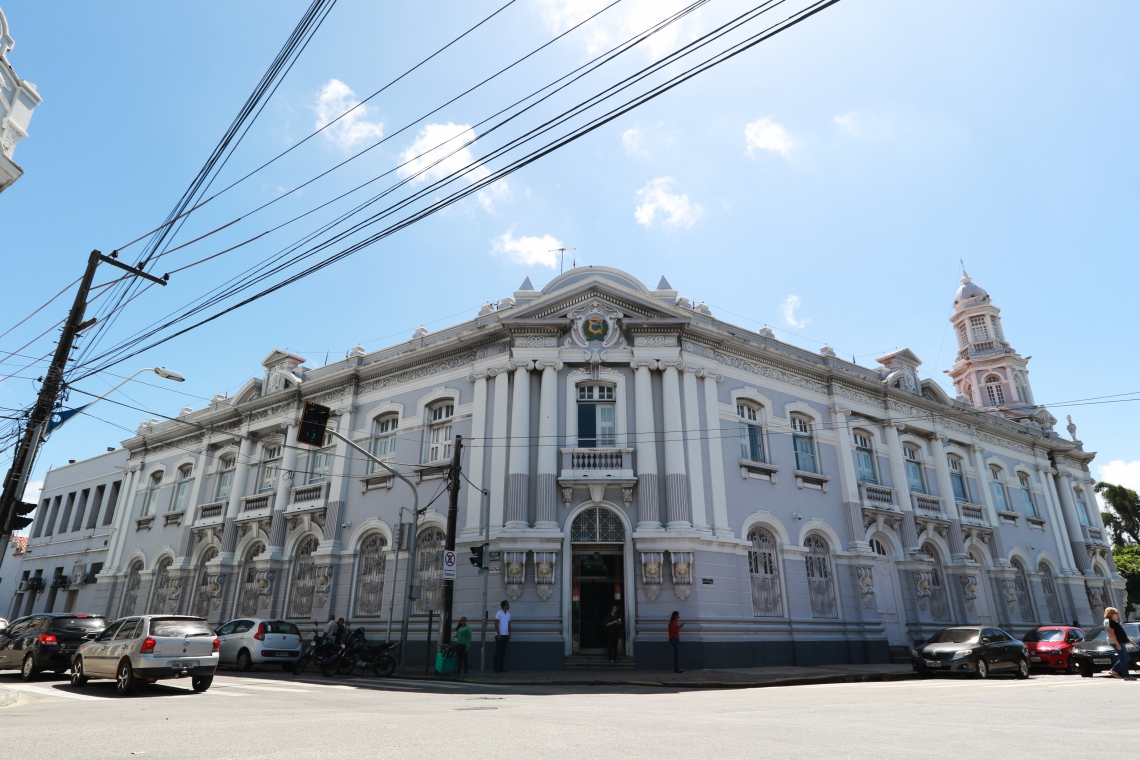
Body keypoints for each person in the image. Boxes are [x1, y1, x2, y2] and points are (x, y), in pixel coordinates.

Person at [1103, 607, 1135, 681]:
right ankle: (1126, 676)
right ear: (1111, 614)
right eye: (1116, 613)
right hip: (1116, 642)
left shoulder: (1111, 621)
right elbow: (1111, 633)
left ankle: (1114, 670)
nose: (1117, 615)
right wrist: (1117, 644)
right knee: (1123, 659)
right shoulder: (1109, 621)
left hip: (1120, 641)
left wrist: (1128, 639)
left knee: (1126, 658)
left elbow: (1118, 633)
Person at [494, 600, 511, 673]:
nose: (508, 606)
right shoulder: (499, 613)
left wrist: (509, 633)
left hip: (506, 635)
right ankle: (495, 667)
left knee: (503, 652)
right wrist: (498, 633)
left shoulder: (508, 614)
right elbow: (496, 623)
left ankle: (501, 667)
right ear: (503, 606)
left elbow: (509, 624)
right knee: (498, 651)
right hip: (500, 635)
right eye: (507, 604)